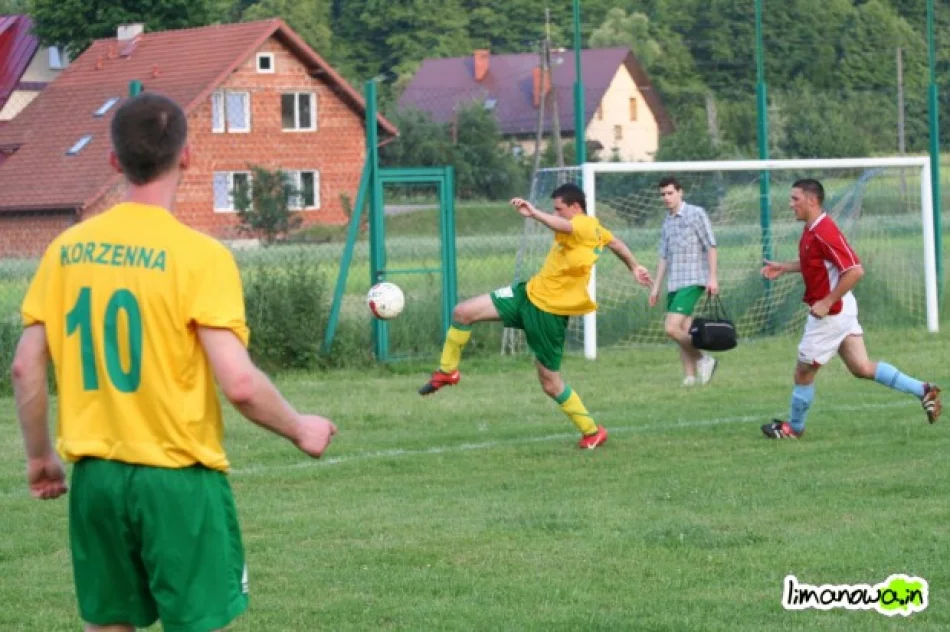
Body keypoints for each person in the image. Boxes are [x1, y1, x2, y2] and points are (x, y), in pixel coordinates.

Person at [10, 93, 337, 632]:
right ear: (186, 155)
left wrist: (40, 457)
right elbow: (239, 383)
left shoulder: (66, 249)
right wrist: (301, 427)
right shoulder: (200, 257)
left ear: (114, 160)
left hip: (95, 478)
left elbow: (26, 366)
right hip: (177, 480)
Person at [417, 183, 652, 449]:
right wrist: (634, 266)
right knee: (462, 312)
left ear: (575, 207)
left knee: (551, 384)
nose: (557, 213)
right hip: (527, 294)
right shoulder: (597, 231)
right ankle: (447, 372)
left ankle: (592, 430)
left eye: (559, 209)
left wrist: (536, 213)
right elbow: (616, 243)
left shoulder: (585, 224)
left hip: (549, 313)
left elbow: (565, 226)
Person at [759, 178, 941, 439]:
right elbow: (816, 263)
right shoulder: (812, 230)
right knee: (862, 367)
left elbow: (855, 271)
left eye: (795, 199)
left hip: (831, 315)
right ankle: (924, 390)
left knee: (803, 372)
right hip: (840, 311)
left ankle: (794, 429)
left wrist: (827, 301)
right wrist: (784, 267)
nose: (791, 204)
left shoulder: (825, 231)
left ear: (812, 200)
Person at [649, 176, 720, 387]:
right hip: (674, 283)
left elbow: (711, 246)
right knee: (685, 331)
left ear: (680, 192)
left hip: (693, 280)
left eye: (670, 193)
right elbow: (664, 257)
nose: (666, 198)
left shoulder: (696, 214)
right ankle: (690, 377)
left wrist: (713, 278)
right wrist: (656, 288)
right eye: (663, 194)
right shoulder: (667, 221)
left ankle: (704, 359)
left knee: (671, 328)